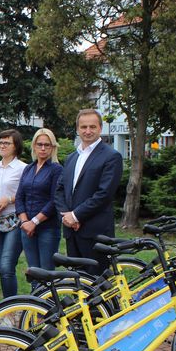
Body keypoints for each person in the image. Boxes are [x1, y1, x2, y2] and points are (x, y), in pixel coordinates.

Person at [54, 109, 123, 275]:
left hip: (95, 233)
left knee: (98, 284)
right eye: (83, 127)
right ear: (77, 129)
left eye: (92, 126)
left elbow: (104, 194)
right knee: (77, 283)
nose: (87, 131)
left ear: (100, 128)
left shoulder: (111, 156)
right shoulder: (71, 157)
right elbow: (60, 190)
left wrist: (76, 215)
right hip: (72, 232)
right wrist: (66, 217)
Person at [0, 129, 26, 297]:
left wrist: (8, 199)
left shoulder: (23, 168)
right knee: (0, 266)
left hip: (15, 221)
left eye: (6, 143)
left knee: (7, 266)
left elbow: (26, 193)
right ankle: (8, 305)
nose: (2, 146)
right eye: (0, 142)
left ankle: (12, 307)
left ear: (16, 146)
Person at [16, 128, 63, 280]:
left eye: (47, 145)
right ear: (34, 146)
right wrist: (25, 222)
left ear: (53, 147)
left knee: (46, 273)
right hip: (27, 228)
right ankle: (35, 303)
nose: (43, 148)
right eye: (39, 144)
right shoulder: (28, 168)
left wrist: (34, 222)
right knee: (33, 271)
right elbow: (19, 197)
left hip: (47, 228)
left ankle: (48, 303)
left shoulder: (57, 169)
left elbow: (54, 200)